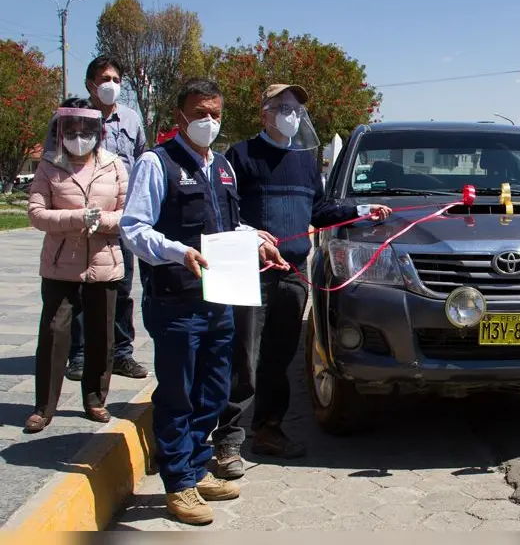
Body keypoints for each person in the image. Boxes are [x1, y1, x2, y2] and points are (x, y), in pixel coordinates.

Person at [120, 78, 288, 525]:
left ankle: (195, 470)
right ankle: (178, 485)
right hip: (176, 301)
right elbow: (134, 229)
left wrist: (255, 240)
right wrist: (179, 251)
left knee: (213, 390)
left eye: (214, 112)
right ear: (180, 117)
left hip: (220, 299)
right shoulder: (157, 163)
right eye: (199, 113)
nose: (208, 121)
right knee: (179, 394)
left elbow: (226, 226)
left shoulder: (222, 167)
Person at [211, 84, 391, 478]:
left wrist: (362, 210)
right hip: (249, 273)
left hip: (292, 274)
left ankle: (268, 430)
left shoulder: (306, 161)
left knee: (279, 356)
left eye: (295, 109)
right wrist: (249, 233)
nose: (291, 115)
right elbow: (221, 212)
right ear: (265, 114)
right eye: (283, 108)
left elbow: (320, 209)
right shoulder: (240, 156)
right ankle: (226, 440)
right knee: (242, 357)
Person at [25, 98, 129, 432]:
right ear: (61, 130)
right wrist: (76, 218)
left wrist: (104, 221)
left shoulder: (114, 165)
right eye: (72, 129)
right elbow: (36, 213)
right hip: (61, 263)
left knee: (102, 333)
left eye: (86, 129)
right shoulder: (49, 166)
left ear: (98, 132)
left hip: (104, 261)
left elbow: (131, 214)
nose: (79, 135)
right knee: (55, 332)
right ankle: (44, 406)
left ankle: (96, 399)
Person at [43, 56, 148, 382]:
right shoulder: (68, 119)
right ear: (90, 84)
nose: (111, 85)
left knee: (121, 288)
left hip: (120, 219)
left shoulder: (131, 119)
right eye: (105, 78)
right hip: (80, 221)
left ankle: (121, 354)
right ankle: (79, 354)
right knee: (78, 290)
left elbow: (142, 160)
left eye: (116, 79)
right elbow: (51, 164)